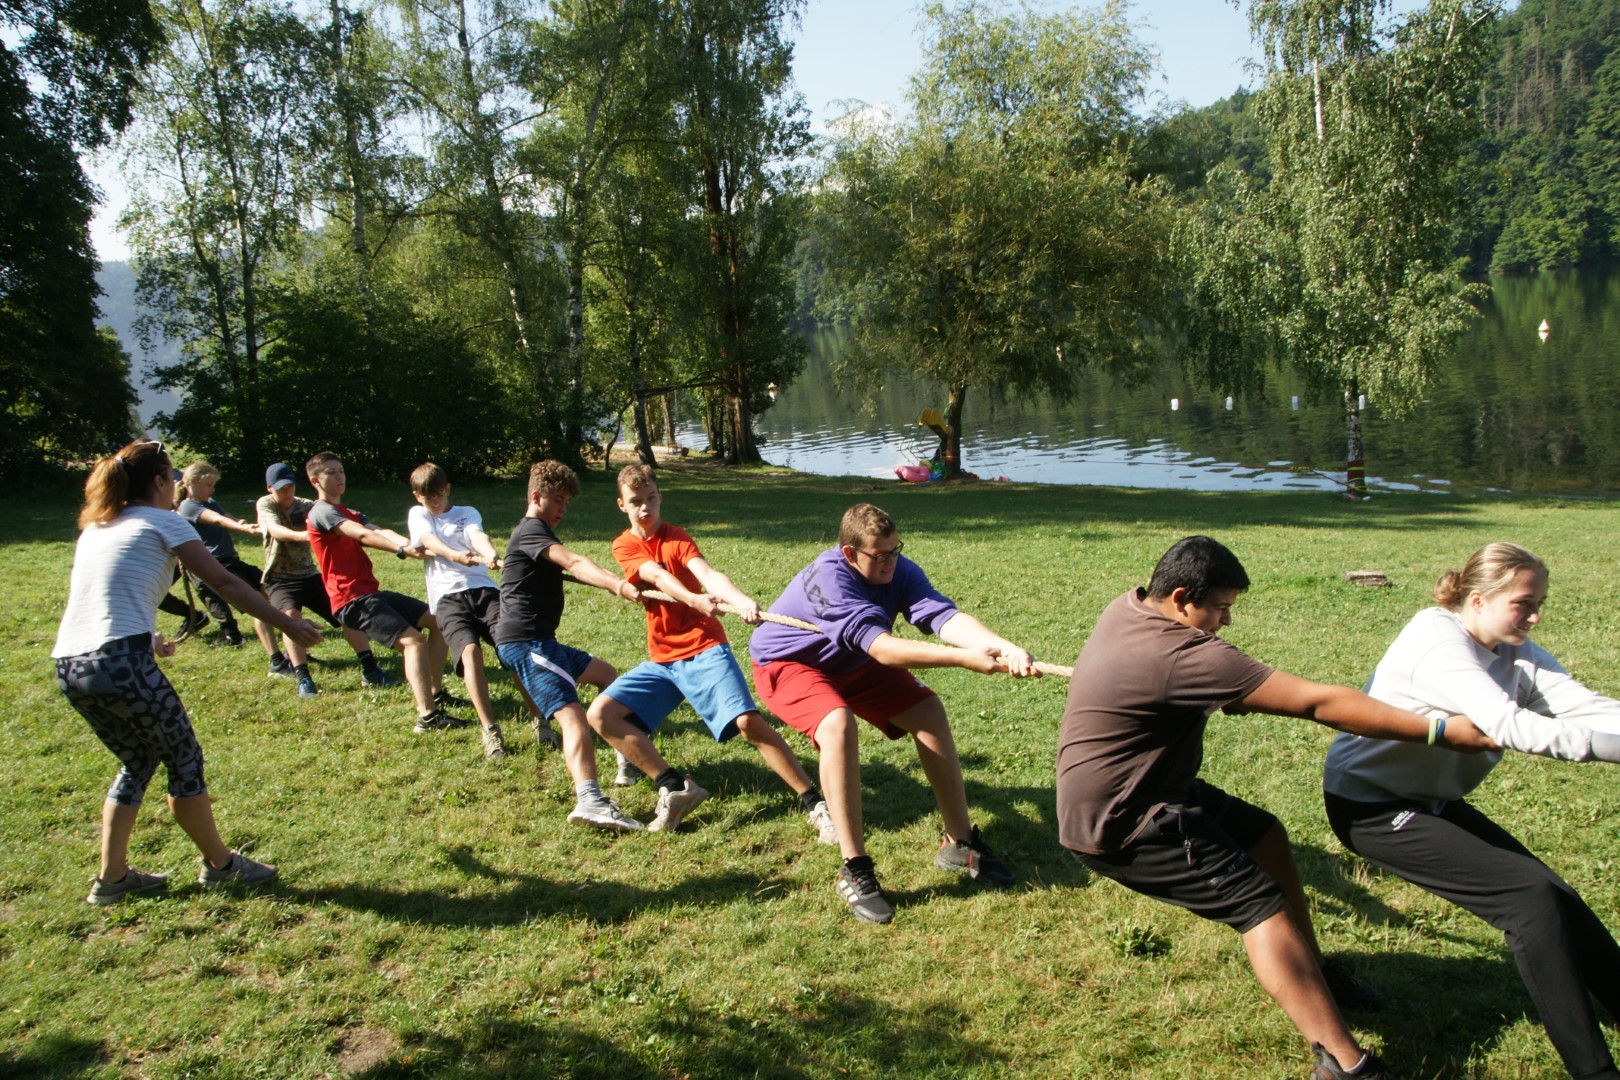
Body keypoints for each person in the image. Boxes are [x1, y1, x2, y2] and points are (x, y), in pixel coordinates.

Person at [1056, 536, 1498, 1080]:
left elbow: (1164, 690)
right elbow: (1320, 702)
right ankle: (1346, 1065)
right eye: (1220, 608)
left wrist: (1221, 695)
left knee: (1265, 836)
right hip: (1124, 822)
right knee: (1262, 906)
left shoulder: (1130, 608)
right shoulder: (1183, 655)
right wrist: (1439, 731)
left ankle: (1316, 972)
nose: (1226, 620)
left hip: (1145, 789)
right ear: (1180, 598)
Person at [1323, 543, 1620, 1080]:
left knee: (1555, 896)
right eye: (1524, 603)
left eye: (1539, 604)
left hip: (1429, 799)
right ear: (1479, 599)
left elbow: (1582, 705)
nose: (1535, 616)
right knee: (1529, 900)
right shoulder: (1437, 643)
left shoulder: (1513, 650)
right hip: (1370, 808)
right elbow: (1507, 725)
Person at [54, 440, 324, 904]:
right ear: (160, 482)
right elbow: (221, 579)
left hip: (73, 665)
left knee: (137, 761)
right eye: (173, 479)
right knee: (184, 760)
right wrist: (286, 624)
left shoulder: (98, 527)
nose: (176, 488)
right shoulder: (163, 520)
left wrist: (146, 637)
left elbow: (110, 593)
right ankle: (221, 865)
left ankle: (113, 878)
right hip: (121, 663)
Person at [747, 502, 1035, 925]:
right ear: (850, 553)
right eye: (879, 555)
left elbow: (944, 617)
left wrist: (1004, 646)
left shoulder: (898, 569)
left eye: (895, 550)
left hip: (850, 659)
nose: (889, 562)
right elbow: (883, 649)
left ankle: (959, 843)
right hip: (790, 664)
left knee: (928, 712)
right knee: (837, 724)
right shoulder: (831, 579)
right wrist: (963, 659)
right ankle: (855, 868)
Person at [586, 464, 835, 840]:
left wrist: (741, 600)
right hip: (664, 659)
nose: (645, 508)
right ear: (622, 505)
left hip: (704, 647)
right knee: (601, 714)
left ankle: (816, 804)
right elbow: (656, 576)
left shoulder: (676, 537)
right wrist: (692, 599)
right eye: (636, 502)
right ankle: (674, 788)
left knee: (747, 723)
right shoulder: (624, 545)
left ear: (660, 498)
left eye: (651, 499)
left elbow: (707, 573)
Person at [494, 460, 648, 831]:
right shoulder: (531, 531)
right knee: (572, 716)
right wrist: (618, 585)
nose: (563, 509)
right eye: (557, 500)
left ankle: (626, 759)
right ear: (536, 497)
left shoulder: (535, 534)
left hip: (542, 640)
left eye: (567, 502)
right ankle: (590, 800)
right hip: (526, 641)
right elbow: (575, 562)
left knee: (607, 676)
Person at [304, 451, 467, 733]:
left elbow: (381, 530)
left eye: (341, 470)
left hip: (371, 593)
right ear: (315, 480)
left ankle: (435, 692)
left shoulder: (348, 511)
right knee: (413, 642)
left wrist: (414, 545)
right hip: (351, 599)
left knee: (440, 622)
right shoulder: (322, 512)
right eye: (331, 472)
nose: (339, 476)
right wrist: (402, 549)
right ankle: (427, 717)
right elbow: (363, 535)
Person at [406, 461, 527, 761]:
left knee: (511, 648)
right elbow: (429, 541)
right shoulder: (418, 514)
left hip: (484, 591)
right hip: (448, 598)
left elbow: (477, 535)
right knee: (470, 653)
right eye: (428, 497)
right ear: (417, 496)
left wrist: (490, 553)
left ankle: (540, 718)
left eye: (439, 494)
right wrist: (454, 555)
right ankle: (490, 731)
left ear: (447, 489)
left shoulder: (467, 512)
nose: (434, 501)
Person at [257, 462, 400, 697]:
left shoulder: (306, 505)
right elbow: (274, 530)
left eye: (290, 486)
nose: (287, 491)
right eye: (281, 488)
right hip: (281, 579)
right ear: (270, 488)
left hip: (309, 574)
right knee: (291, 618)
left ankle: (371, 670)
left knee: (347, 610)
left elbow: (334, 513)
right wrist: (306, 535)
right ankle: (304, 678)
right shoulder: (266, 504)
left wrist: (353, 522)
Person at [174, 462, 273, 654]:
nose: (212, 489)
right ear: (192, 482)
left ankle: (278, 622)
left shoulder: (210, 501)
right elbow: (218, 520)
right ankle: (234, 637)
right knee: (240, 598)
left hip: (229, 559)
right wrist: (242, 529)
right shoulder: (188, 506)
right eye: (208, 485)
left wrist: (243, 523)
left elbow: (226, 516)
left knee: (265, 585)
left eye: (213, 485)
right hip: (213, 562)